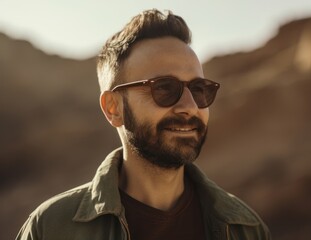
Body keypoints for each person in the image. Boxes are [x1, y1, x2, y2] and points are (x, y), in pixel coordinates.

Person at [16, 9, 271, 240]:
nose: (190, 106)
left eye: (198, 89)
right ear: (113, 108)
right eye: (164, 88)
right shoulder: (51, 229)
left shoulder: (245, 229)